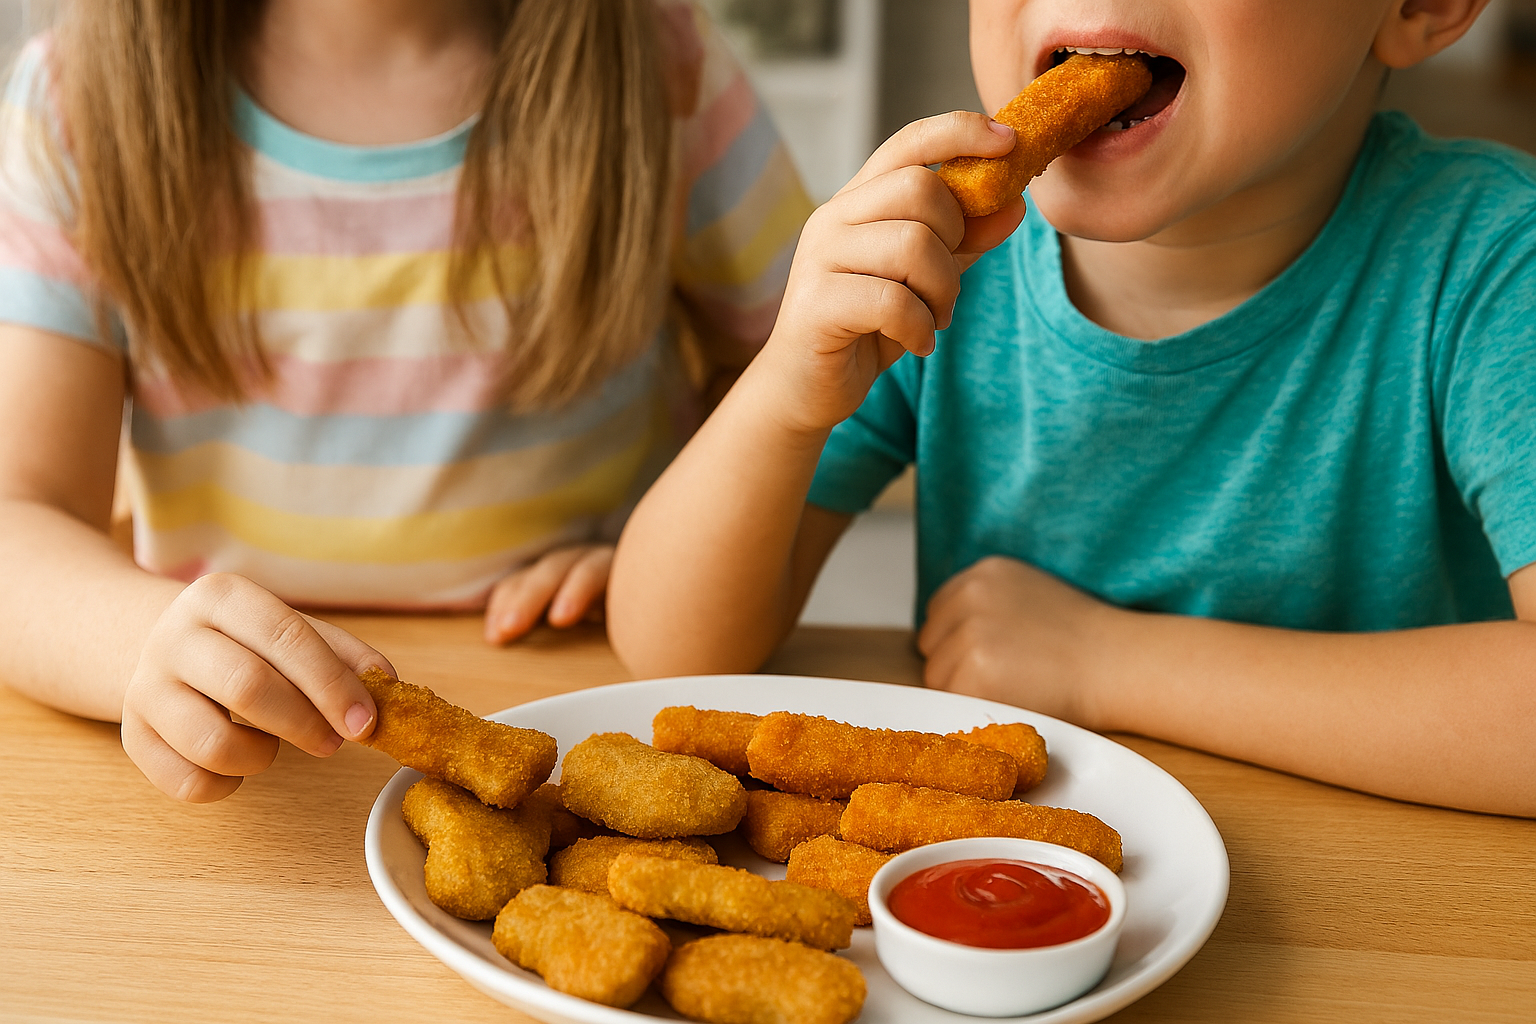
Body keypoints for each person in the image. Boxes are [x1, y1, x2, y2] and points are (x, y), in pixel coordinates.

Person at [609, 0, 1536, 818]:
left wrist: (1110, 664)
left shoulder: (1496, 268)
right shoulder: (935, 260)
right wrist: (782, 397)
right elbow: (671, 650)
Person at [0, 0, 809, 801]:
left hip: (601, 692)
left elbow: (809, 368)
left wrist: (667, 548)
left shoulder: (665, 62)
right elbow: (20, 515)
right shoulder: (72, 104)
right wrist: (143, 644)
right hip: (260, 757)